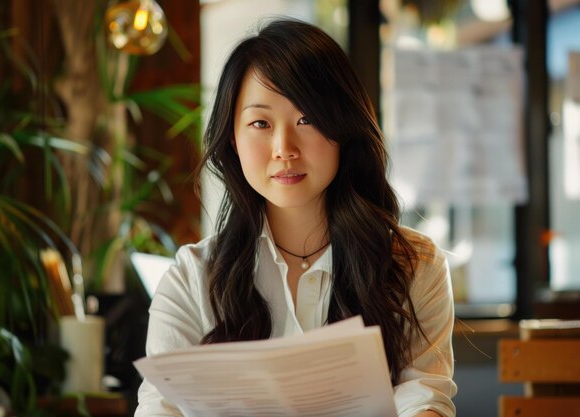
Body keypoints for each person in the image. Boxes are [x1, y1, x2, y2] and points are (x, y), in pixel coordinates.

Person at [135, 18, 457, 417]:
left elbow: (424, 394)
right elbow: (159, 407)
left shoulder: (414, 265)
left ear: (343, 127)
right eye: (260, 123)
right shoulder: (191, 279)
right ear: (232, 139)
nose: (284, 148)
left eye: (307, 119)